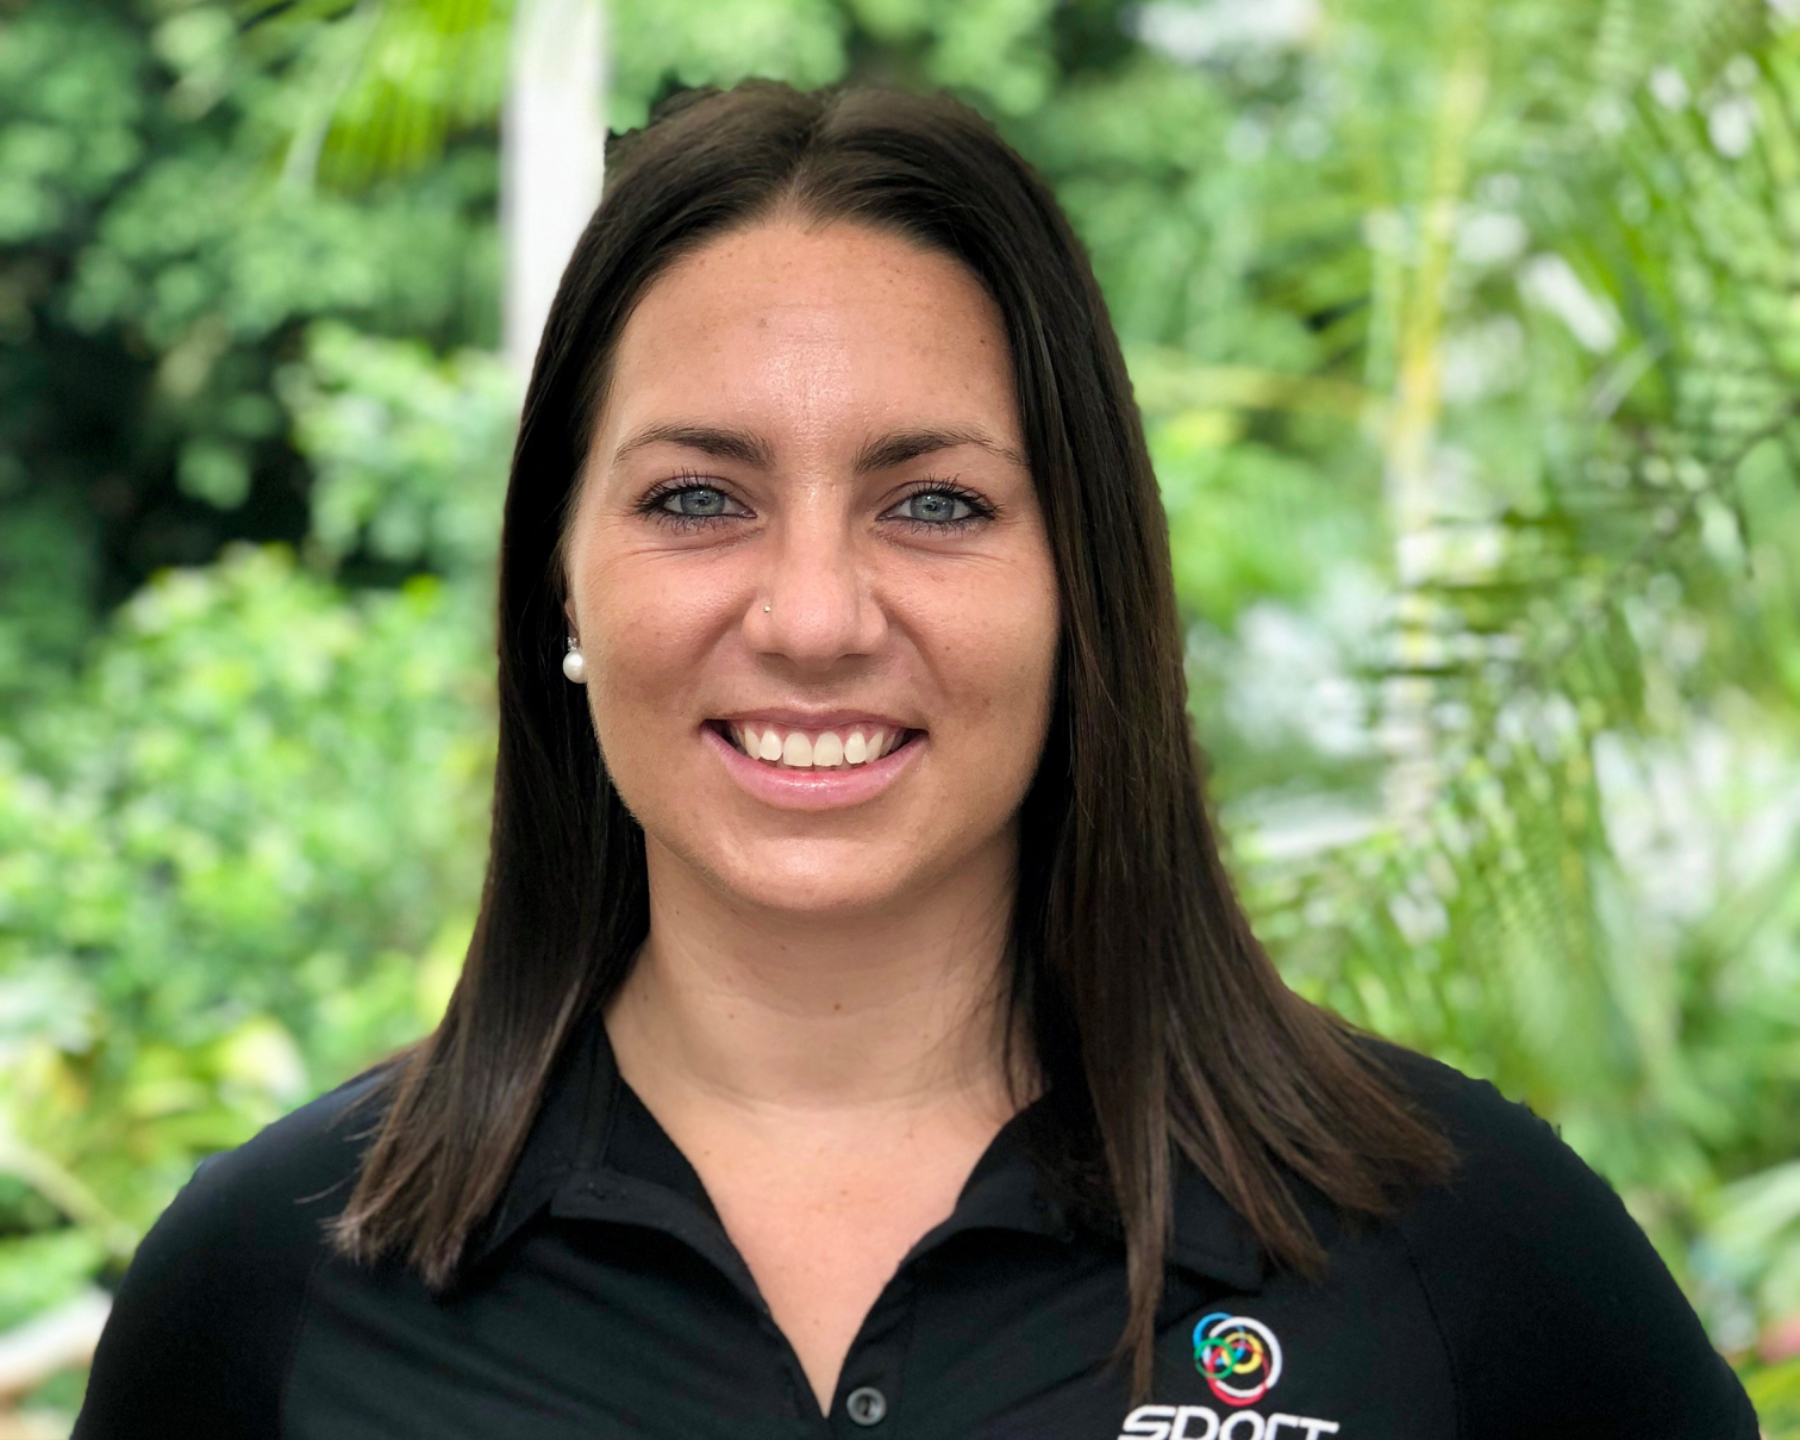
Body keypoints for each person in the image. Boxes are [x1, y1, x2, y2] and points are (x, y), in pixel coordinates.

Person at [75, 80, 1757, 1440]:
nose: (813, 616)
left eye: (936, 503)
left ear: (1083, 584)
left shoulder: (1467, 1250)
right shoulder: (266, 1289)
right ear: (559, 589)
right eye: (696, 498)